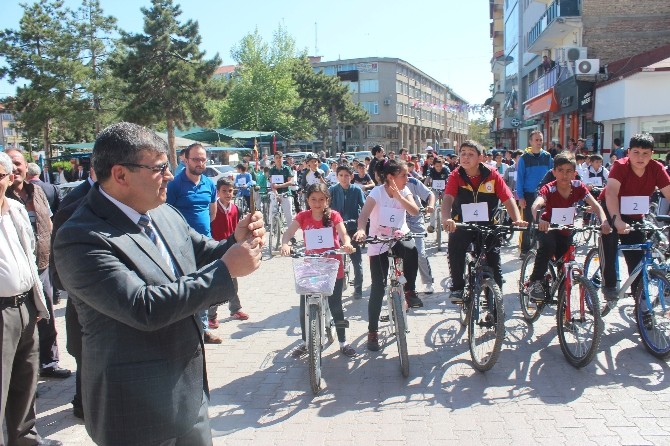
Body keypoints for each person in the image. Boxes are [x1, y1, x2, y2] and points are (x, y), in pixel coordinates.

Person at [53, 122, 264, 446]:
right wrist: (225, 270)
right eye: (159, 168)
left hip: (189, 395)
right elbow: (142, 307)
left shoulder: (163, 211)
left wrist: (234, 241)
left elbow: (199, 253)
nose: (169, 176)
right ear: (121, 175)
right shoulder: (80, 237)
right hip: (133, 411)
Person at [0, 151, 62, 446]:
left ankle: (25, 440)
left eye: (1, 176)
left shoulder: (15, 209)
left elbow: (29, 256)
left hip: (24, 305)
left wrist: (36, 302)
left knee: (26, 379)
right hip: (1, 312)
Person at [5, 149, 72, 379]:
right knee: (24, 323)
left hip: (42, 264)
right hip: (16, 271)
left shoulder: (38, 191)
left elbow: (51, 222)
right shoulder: (5, 199)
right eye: (10, 165)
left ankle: (50, 362)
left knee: (48, 317)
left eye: (18, 163)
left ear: (26, 165)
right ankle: (24, 373)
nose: (15, 169)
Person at [442, 141, 526, 304]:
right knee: (455, 249)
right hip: (462, 224)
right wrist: (446, 218)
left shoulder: (492, 175)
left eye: (471, 154)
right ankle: (458, 287)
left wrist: (517, 220)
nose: (465, 157)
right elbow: (448, 199)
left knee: (494, 265)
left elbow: (508, 199)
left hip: (488, 225)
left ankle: (496, 309)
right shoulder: (456, 175)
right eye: (463, 153)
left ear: (481, 158)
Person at [353, 159, 423, 352]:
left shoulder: (405, 190)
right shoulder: (377, 192)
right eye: (404, 175)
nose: (407, 178)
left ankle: (410, 290)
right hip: (379, 241)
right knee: (378, 288)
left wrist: (400, 196)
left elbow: (415, 211)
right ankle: (372, 331)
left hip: (399, 236)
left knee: (411, 249)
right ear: (391, 177)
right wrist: (361, 230)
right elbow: (364, 215)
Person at [280, 183, 356, 358]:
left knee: (336, 306)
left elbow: (343, 234)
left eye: (321, 199)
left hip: (332, 268)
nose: (317, 203)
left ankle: (343, 341)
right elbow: (288, 233)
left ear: (327, 200)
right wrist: (285, 243)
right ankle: (306, 342)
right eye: (313, 199)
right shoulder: (303, 217)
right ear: (307, 200)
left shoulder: (334, 216)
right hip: (312, 269)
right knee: (304, 306)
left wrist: (347, 243)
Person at [527, 154, 611, 301]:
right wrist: (539, 219)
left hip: (566, 230)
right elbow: (536, 205)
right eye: (560, 170)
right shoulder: (549, 188)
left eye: (568, 171)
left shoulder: (578, 187)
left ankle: (563, 303)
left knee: (565, 261)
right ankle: (535, 281)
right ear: (554, 172)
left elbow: (596, 205)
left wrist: (604, 221)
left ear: (575, 173)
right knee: (548, 246)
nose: (564, 175)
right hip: (548, 228)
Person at [50, 164, 97, 420]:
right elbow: (59, 268)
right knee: (84, 354)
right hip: (82, 298)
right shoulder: (74, 203)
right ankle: (82, 405)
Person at [600, 134, 670, 303]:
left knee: (637, 256)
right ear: (628, 152)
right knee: (609, 240)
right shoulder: (620, 166)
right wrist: (616, 221)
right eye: (636, 152)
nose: (640, 157)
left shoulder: (657, 168)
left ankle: (640, 301)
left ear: (652, 154)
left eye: (645, 153)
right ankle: (609, 285)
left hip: (635, 212)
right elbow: (611, 193)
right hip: (612, 207)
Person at [166, 142, 221, 344]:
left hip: (205, 244)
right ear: (185, 159)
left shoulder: (209, 184)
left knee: (204, 287)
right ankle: (184, 331)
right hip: (180, 246)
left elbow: (212, 213)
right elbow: (166, 216)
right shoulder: (174, 185)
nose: (200, 163)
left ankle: (204, 329)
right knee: (184, 287)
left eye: (203, 159)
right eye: (195, 159)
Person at [210, 178, 249, 323]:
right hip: (215, 249)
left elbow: (237, 229)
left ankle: (235, 309)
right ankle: (211, 315)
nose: (227, 194)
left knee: (233, 281)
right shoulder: (213, 208)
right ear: (218, 192)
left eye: (230, 191)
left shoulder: (235, 209)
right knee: (215, 284)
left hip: (231, 249)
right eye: (224, 191)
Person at [329, 165, 366, 299]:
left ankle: (358, 288)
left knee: (357, 260)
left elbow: (364, 207)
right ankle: (333, 288)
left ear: (351, 176)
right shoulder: (332, 190)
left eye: (347, 175)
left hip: (352, 229)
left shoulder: (356, 190)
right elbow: (325, 207)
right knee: (333, 259)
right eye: (341, 175)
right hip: (335, 229)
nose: (344, 178)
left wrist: (362, 226)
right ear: (337, 176)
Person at [516, 130, 553, 255]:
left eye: (541, 140)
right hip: (528, 194)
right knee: (527, 223)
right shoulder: (524, 158)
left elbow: (553, 175)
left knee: (543, 222)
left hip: (544, 195)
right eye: (536, 140)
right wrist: (520, 197)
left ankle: (541, 249)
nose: (539, 142)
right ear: (530, 141)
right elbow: (520, 178)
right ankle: (524, 250)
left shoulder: (547, 157)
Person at [406, 174, 437, 294]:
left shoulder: (413, 182)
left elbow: (430, 195)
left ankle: (428, 281)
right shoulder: (388, 184)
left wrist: (430, 205)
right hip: (398, 221)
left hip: (415, 219)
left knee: (420, 252)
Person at [269, 151, 296, 226]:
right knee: (272, 211)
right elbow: (272, 184)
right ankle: (272, 227)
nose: (278, 159)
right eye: (276, 158)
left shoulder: (287, 169)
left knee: (289, 215)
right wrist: (276, 194)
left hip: (286, 193)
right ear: (274, 159)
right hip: (276, 193)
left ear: (282, 158)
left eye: (280, 158)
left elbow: (290, 182)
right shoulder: (272, 170)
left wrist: (279, 186)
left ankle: (291, 234)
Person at [425, 156, 450, 233]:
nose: (439, 168)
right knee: (432, 205)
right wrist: (424, 186)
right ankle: (432, 225)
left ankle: (445, 223)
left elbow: (449, 178)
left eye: (440, 166)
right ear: (434, 165)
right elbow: (428, 179)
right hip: (434, 189)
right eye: (437, 166)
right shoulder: (431, 170)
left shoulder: (446, 169)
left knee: (446, 204)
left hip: (444, 189)